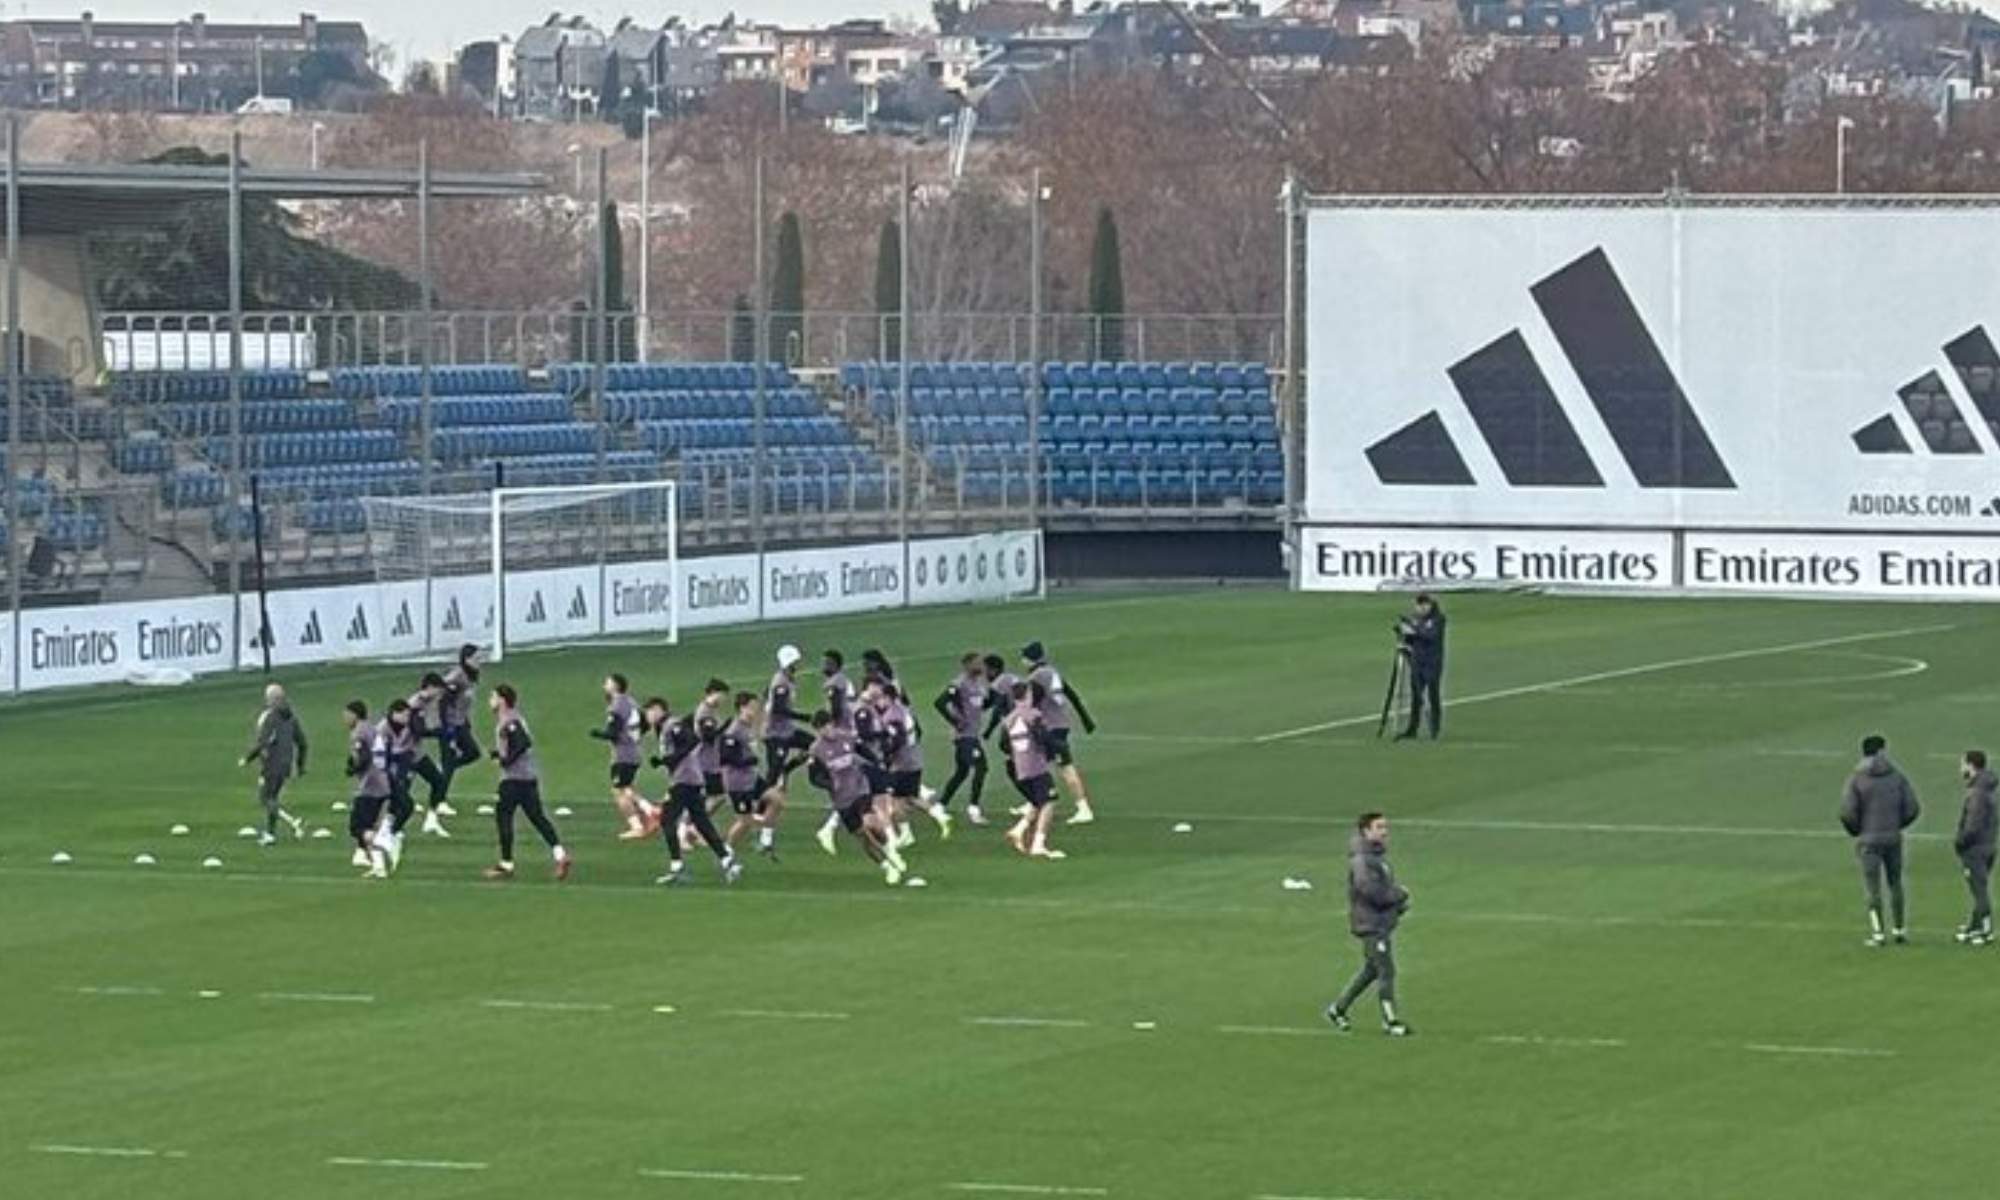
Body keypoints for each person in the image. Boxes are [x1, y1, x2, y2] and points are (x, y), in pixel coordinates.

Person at [1327, 812, 1412, 1037]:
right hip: (1371, 924)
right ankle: (1390, 1021)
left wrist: (1396, 905)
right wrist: (1398, 895)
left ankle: (1338, 1009)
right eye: (1379, 827)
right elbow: (1370, 891)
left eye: (1385, 827)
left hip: (1379, 922)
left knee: (1372, 970)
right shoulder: (1362, 860)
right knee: (1386, 970)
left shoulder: (1375, 858)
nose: (1385, 832)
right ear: (1366, 831)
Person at [646, 696, 742, 887]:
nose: (648, 715)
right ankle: (727, 861)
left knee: (667, 820)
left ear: (659, 709)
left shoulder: (671, 725)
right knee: (701, 822)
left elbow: (690, 741)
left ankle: (677, 867)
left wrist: (669, 760)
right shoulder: (665, 726)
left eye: (650, 711)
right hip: (690, 779)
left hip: (685, 780)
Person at [807, 709, 908, 886]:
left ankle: (892, 852)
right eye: (822, 729)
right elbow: (813, 777)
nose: (826, 731)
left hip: (860, 789)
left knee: (871, 823)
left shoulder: (847, 737)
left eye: (828, 726)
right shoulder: (816, 750)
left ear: (832, 724)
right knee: (862, 836)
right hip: (841, 799)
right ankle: (887, 867)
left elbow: (863, 750)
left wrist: (876, 762)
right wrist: (829, 785)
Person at [482, 684, 572, 882]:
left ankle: (506, 863)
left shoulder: (509, 720)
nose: (490, 701)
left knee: (504, 817)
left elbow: (522, 742)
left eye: (493, 697)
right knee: (538, 818)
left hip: (513, 779)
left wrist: (506, 760)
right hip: (528, 778)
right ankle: (560, 854)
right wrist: (500, 754)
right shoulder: (513, 718)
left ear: (502, 700)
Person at [1839, 734, 1920, 947]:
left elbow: (1847, 812)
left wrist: (1858, 830)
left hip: (1869, 840)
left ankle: (1878, 933)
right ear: (1881, 751)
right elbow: (1912, 808)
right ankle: (1899, 929)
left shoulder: (1856, 778)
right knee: (1895, 884)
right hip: (1893, 838)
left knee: (1872, 887)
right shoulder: (1896, 776)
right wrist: (1897, 824)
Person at [1022, 641, 1098, 825]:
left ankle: (1083, 808)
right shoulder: (1053, 673)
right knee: (1036, 764)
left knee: (1064, 767)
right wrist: (1085, 719)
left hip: (1049, 728)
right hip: (1060, 724)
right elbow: (1071, 695)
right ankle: (1034, 802)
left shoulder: (1037, 677)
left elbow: (1032, 703)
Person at [1000, 681, 1066, 860]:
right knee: (1049, 801)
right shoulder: (1033, 714)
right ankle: (1039, 844)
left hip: (1019, 768)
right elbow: (1043, 736)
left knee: (1038, 801)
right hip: (1036, 766)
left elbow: (1003, 745)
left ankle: (1018, 830)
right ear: (1028, 694)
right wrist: (1053, 753)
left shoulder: (1008, 720)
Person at [590, 673, 656, 840]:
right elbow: (646, 723)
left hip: (623, 755)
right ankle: (651, 811)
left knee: (618, 790)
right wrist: (635, 737)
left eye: (607, 683)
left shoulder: (617, 706)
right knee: (627, 788)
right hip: (634, 752)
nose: (604, 686)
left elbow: (613, 732)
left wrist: (597, 733)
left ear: (615, 686)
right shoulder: (631, 702)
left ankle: (638, 826)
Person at [240, 683, 307, 846]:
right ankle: (270, 834)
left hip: (272, 764)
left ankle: (292, 822)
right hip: (286, 765)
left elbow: (262, 742)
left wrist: (248, 758)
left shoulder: (271, 717)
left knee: (265, 798)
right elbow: (303, 743)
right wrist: (300, 765)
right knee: (273, 798)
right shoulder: (291, 717)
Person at [720, 692, 783, 858]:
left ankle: (765, 839)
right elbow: (725, 756)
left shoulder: (747, 727)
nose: (756, 711)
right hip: (737, 783)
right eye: (752, 707)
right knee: (745, 822)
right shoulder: (734, 730)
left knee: (776, 799)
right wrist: (748, 761)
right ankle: (726, 851)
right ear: (742, 708)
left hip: (751, 778)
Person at [934, 653, 991, 826]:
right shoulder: (959, 684)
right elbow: (940, 702)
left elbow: (981, 705)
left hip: (972, 735)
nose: (981, 667)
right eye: (977, 663)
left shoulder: (978, 685)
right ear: (967, 665)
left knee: (962, 772)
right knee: (981, 767)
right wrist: (955, 721)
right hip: (964, 736)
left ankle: (940, 805)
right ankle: (973, 809)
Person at [341, 700, 392, 880]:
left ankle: (382, 852)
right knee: (368, 826)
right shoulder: (372, 729)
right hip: (382, 782)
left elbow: (362, 756)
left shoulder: (359, 732)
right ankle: (378, 866)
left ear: (355, 714)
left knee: (357, 827)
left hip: (370, 785)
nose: (345, 718)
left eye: (347, 714)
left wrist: (352, 767)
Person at [432, 643, 485, 814]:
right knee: (449, 762)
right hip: (449, 725)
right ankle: (439, 802)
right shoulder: (457, 677)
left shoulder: (470, 676)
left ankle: (443, 770)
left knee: (473, 753)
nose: (479, 662)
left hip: (461, 723)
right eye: (476, 658)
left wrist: (465, 721)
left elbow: (461, 704)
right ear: (466, 659)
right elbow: (443, 701)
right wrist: (446, 727)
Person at [1954, 750, 1996, 947]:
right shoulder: (1987, 789)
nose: (1961, 768)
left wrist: (1960, 842)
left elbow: (1973, 825)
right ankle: (1974, 927)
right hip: (1988, 846)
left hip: (1975, 849)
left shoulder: (1977, 793)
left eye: (1963, 764)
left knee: (1979, 891)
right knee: (1979, 888)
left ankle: (1984, 931)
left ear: (1971, 766)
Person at [404, 674, 453, 838]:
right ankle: (386, 828)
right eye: (437, 690)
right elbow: (417, 729)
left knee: (438, 781)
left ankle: (431, 820)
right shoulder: (415, 704)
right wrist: (439, 733)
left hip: (416, 753)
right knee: (401, 793)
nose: (439, 695)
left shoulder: (424, 703)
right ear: (430, 687)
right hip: (405, 754)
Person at [761, 645, 814, 790]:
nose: (798, 665)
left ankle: (787, 769)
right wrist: (805, 717)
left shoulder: (786, 679)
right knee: (773, 772)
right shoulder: (781, 682)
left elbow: (766, 695)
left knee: (814, 745)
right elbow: (779, 709)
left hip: (787, 730)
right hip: (775, 734)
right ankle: (761, 802)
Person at [1395, 594, 1447, 742]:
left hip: (1432, 662)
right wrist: (1403, 633)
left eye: (1425, 605)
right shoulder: (1416, 619)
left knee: (1433, 694)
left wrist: (1413, 628)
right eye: (1419, 605)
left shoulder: (1438, 619)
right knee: (1416, 696)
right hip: (1417, 661)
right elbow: (1412, 639)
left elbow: (1431, 636)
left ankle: (1435, 727)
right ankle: (1412, 728)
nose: (1422, 608)